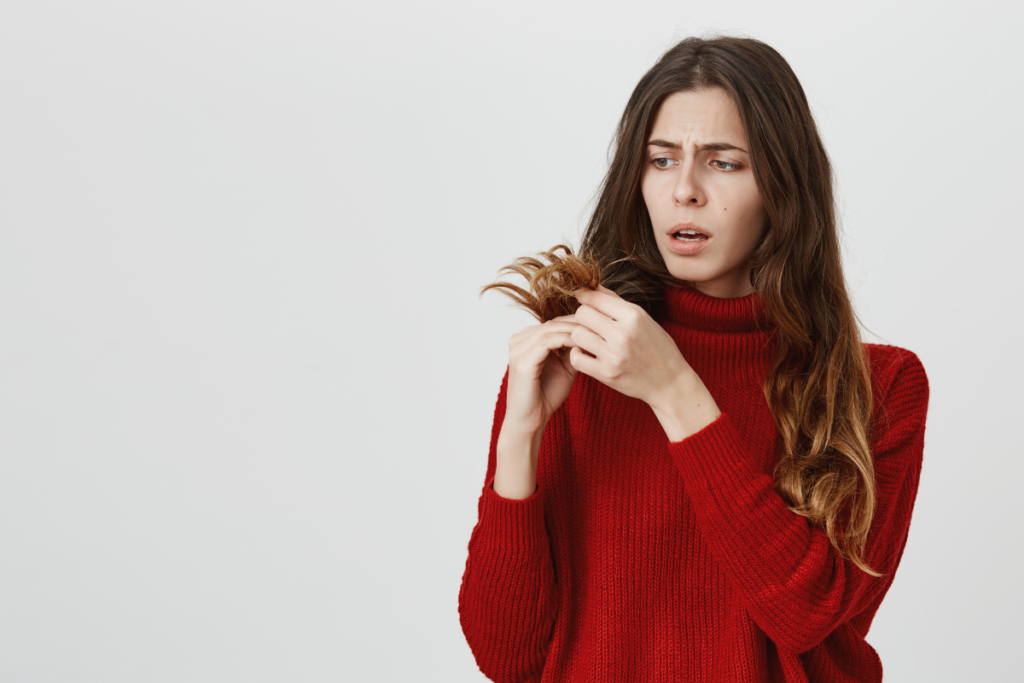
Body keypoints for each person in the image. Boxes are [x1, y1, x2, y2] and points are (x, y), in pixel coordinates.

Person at [458, 35, 930, 683]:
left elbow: (803, 614)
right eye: (660, 160)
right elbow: (508, 658)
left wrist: (674, 388)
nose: (685, 189)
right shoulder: (580, 363)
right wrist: (521, 435)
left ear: (782, 183)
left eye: (724, 163)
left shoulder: (881, 387)